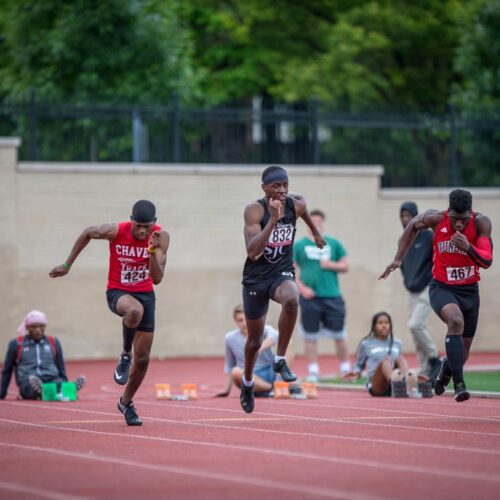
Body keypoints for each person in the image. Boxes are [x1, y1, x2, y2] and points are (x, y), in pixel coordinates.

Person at [49, 200, 170, 424]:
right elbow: (87, 232)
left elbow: (157, 279)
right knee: (134, 312)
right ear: (131, 219)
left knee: (143, 360)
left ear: (154, 222)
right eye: (138, 225)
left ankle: (125, 403)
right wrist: (67, 265)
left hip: (146, 294)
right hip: (118, 292)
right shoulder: (116, 231)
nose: (142, 230)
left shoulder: (161, 237)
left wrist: (151, 251)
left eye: (147, 225)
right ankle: (125, 354)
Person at [380, 189, 493, 402]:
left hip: (469, 291)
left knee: (463, 354)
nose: (459, 224)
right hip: (442, 288)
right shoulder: (435, 218)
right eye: (455, 219)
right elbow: (413, 224)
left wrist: (468, 247)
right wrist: (398, 258)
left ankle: (444, 371)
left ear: (471, 213)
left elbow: (487, 261)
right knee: (455, 320)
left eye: (463, 219)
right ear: (448, 211)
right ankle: (459, 385)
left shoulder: (481, 223)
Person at [240, 165, 325, 413]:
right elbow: (253, 252)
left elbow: (304, 210)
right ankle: (247, 382)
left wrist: (316, 233)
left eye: (284, 185)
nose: (281, 190)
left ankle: (280, 359)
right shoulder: (254, 210)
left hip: (281, 271)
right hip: (256, 278)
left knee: (291, 299)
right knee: (254, 341)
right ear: (264, 188)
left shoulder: (295, 204)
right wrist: (274, 221)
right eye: (275, 186)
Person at [293, 209, 351, 382]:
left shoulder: (333, 243)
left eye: (319, 221)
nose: (316, 223)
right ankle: (313, 370)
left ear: (322, 223)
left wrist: (330, 265)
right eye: (313, 221)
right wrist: (302, 289)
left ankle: (346, 369)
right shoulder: (299, 245)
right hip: (310, 297)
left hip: (332, 295)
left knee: (339, 334)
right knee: (310, 335)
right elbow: (291, 269)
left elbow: (345, 265)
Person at [0, 310, 86, 400]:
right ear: (27, 327)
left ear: (45, 326)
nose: (37, 330)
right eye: (33, 327)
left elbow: (61, 366)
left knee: (58, 383)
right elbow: (7, 370)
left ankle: (63, 389)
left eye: (41, 326)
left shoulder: (53, 342)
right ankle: (57, 392)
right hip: (28, 379)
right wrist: (2, 392)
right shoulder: (17, 344)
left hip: (51, 377)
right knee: (30, 384)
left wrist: (64, 382)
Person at [399, 202, 441, 380]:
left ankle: (434, 357)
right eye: (403, 216)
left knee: (415, 325)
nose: (405, 219)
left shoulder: (429, 237)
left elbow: (437, 260)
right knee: (417, 331)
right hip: (412, 290)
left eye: (409, 215)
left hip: (428, 287)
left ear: (416, 216)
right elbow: (401, 264)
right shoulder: (403, 239)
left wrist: (430, 280)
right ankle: (425, 370)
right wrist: (408, 280)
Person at [215, 304, 289, 398]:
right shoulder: (230, 338)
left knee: (288, 341)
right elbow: (229, 364)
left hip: (272, 371)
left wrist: (257, 350)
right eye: (240, 320)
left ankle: (280, 383)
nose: (244, 323)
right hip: (251, 376)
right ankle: (273, 389)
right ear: (235, 321)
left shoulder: (264, 329)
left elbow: (275, 336)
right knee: (235, 372)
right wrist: (227, 389)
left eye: (246, 319)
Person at [343, 312, 411, 397]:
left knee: (400, 358)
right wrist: (356, 373)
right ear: (374, 327)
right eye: (380, 323)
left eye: (386, 323)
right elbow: (359, 364)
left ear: (390, 326)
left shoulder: (398, 343)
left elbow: (399, 365)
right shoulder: (366, 344)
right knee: (386, 360)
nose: (384, 325)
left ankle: (406, 386)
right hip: (377, 384)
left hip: (395, 379)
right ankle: (395, 386)